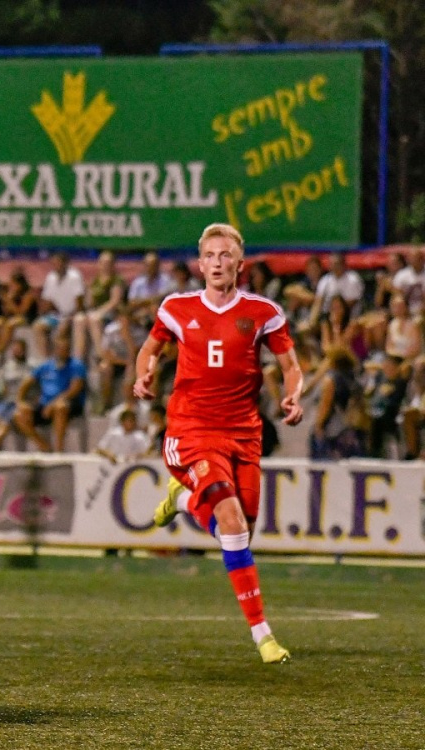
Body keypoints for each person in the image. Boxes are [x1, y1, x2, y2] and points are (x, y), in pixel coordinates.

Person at [134, 223, 303, 665]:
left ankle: (186, 501)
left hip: (244, 433)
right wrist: (143, 372)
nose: (217, 262)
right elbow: (149, 349)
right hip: (192, 431)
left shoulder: (263, 312)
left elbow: (291, 364)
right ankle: (263, 635)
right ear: (200, 262)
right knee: (230, 521)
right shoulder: (177, 307)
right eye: (209, 255)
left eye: (225, 255)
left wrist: (293, 391)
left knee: (243, 527)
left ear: (239, 264)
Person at [14, 333, 87, 453]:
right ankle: (43, 445)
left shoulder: (76, 365)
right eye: (60, 349)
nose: (63, 351)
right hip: (44, 404)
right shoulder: (46, 365)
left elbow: (75, 389)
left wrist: (53, 403)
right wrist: (20, 401)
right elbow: (26, 383)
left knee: (60, 408)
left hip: (68, 404)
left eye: (66, 349)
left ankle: (59, 450)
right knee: (19, 415)